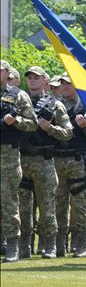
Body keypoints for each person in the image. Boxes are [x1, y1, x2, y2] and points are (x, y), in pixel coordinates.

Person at [19, 65, 73, 259]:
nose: (32, 80)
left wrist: (50, 128)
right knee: (23, 208)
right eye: (30, 77)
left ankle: (50, 245)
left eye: (36, 77)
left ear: (45, 81)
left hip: (44, 162)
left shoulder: (54, 104)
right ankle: (23, 246)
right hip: (22, 160)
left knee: (47, 207)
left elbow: (68, 133)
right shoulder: (19, 101)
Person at [54, 74, 86, 258]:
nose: (64, 87)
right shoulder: (54, 105)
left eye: (68, 83)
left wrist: (85, 128)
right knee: (59, 204)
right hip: (57, 159)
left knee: (80, 205)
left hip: (78, 160)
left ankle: (81, 245)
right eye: (62, 84)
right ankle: (59, 245)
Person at [1, 60, 37, 263]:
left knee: (8, 201)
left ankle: (12, 244)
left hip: (8, 156)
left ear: (7, 73)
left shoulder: (18, 95)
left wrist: (15, 122)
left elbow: (32, 124)